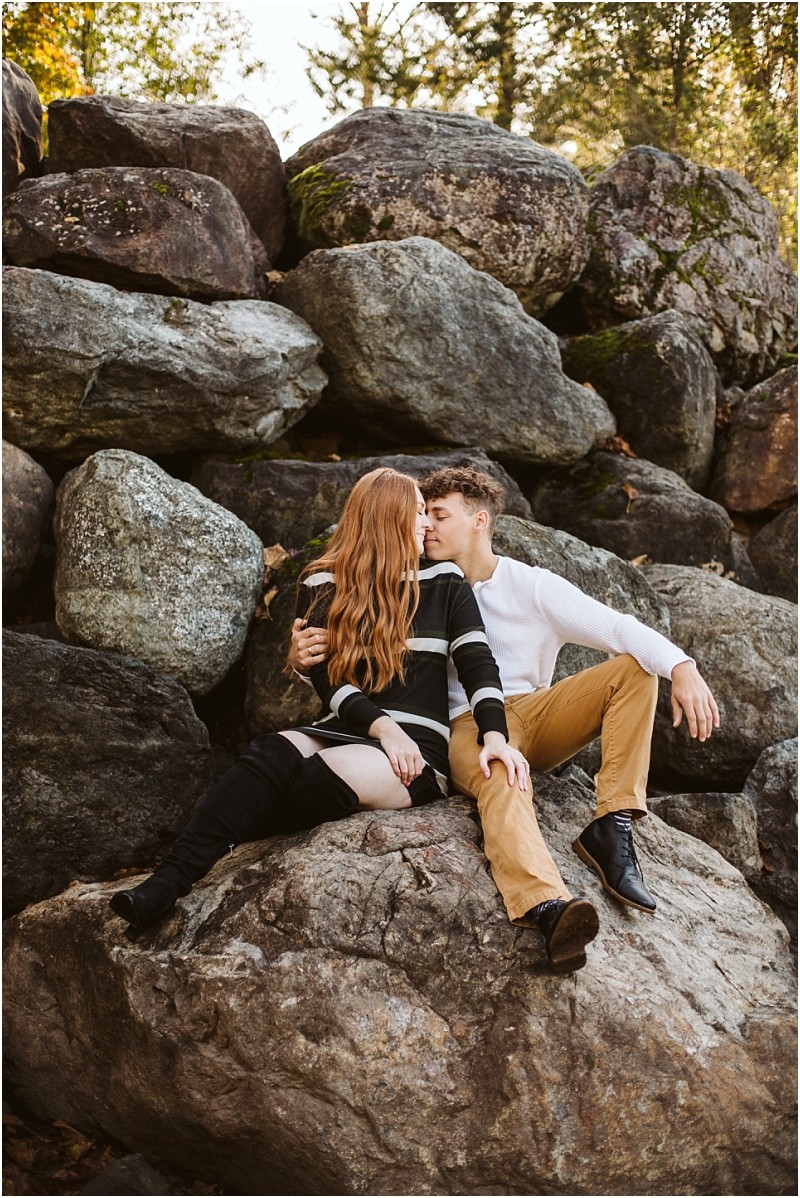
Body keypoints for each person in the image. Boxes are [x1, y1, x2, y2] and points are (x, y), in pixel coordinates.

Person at [291, 466, 720, 973]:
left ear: (479, 521)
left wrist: (682, 666)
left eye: (439, 514)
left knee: (635, 672)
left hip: (537, 712)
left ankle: (614, 824)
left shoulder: (530, 586)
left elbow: (618, 628)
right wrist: (303, 662)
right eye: (422, 514)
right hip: (464, 725)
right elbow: (355, 661)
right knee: (504, 774)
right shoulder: (412, 585)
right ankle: (546, 906)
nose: (425, 525)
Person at [110, 469, 549, 952]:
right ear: (387, 517)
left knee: (320, 774)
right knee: (269, 753)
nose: (427, 523)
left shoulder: (445, 581)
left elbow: (477, 663)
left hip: (418, 746)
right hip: (352, 723)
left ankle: (238, 829)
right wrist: (383, 728)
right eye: (419, 512)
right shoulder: (323, 581)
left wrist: (494, 737)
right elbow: (327, 679)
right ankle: (165, 885)